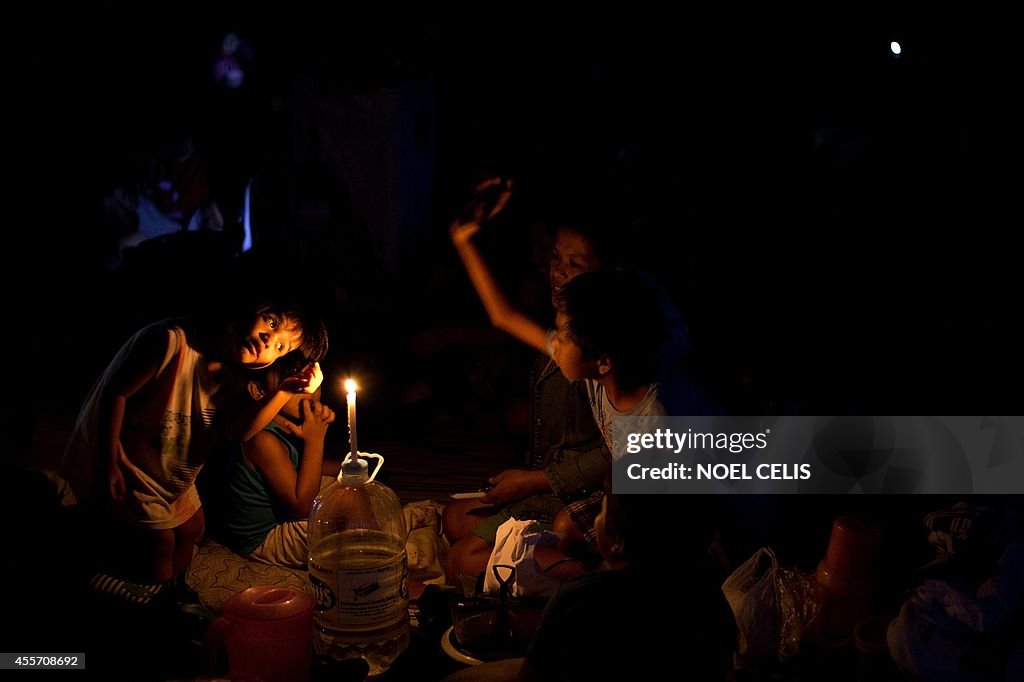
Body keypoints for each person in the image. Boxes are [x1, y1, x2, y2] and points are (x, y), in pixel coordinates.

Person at [59, 299, 329, 599]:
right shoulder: (171, 343)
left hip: (173, 474)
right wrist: (109, 459)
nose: (269, 340)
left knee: (191, 527)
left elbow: (236, 432)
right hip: (134, 466)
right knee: (161, 540)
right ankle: (159, 601)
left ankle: (178, 588)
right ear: (249, 304)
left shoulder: (235, 375)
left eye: (281, 347)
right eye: (272, 322)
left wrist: (284, 391)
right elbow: (115, 394)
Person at [444, 177, 614, 585]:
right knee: (453, 520)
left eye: (575, 265)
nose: (558, 273)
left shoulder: (606, 356)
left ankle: (590, 583)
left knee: (462, 562)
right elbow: (503, 316)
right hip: (555, 482)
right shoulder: (571, 339)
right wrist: (463, 238)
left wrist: (533, 481)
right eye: (556, 259)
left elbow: (617, 456)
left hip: (585, 497)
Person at [519, 490, 735, 681]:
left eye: (602, 511)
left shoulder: (578, 599)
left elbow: (532, 675)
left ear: (617, 541)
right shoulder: (710, 599)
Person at [217, 353, 339, 567]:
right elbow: (301, 507)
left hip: (287, 512)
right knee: (349, 523)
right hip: (264, 538)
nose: (308, 392)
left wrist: (350, 469)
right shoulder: (261, 438)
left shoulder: (286, 423)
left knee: (352, 488)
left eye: (311, 381)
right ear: (259, 391)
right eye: (294, 383)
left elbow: (302, 469)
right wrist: (315, 440)